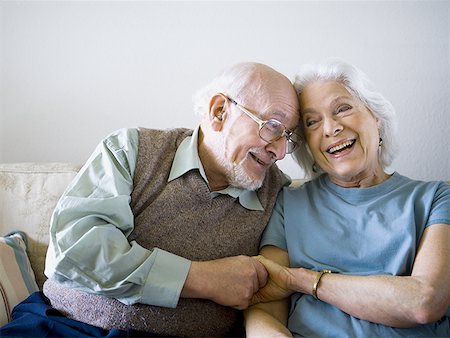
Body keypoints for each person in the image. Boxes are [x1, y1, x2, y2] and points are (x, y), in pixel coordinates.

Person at [0, 62, 300, 337]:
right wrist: (202, 279)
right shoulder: (131, 149)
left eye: (287, 136)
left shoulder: (280, 194)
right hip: (64, 325)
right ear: (219, 110)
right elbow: (75, 251)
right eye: (272, 126)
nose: (280, 151)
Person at [244, 59, 450, 337]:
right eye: (312, 122)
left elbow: (424, 302)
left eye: (342, 109)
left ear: (375, 116)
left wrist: (305, 280)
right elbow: (266, 306)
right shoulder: (288, 203)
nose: (330, 128)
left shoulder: (436, 198)